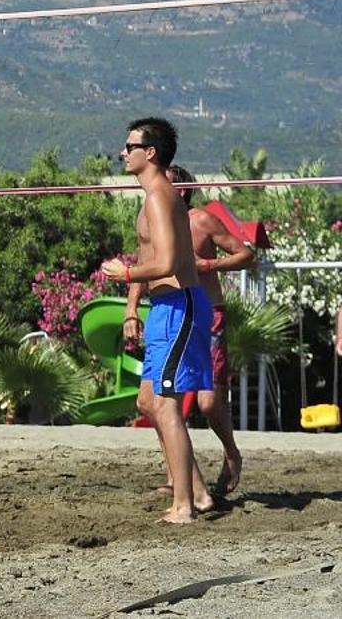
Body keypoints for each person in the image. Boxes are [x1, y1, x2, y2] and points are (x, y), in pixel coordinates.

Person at [99, 118, 214, 524]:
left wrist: (125, 276)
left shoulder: (159, 196)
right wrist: (133, 304)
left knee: (165, 405)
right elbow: (154, 256)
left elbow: (165, 263)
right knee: (148, 401)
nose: (122, 152)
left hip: (179, 306)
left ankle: (183, 506)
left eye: (129, 145)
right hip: (165, 307)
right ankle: (198, 493)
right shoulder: (155, 196)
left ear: (150, 153)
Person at [124, 165, 253, 496]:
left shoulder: (201, 220)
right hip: (170, 310)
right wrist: (131, 309)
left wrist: (209, 265)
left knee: (208, 404)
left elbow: (245, 254)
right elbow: (145, 264)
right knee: (156, 402)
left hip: (206, 313)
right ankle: (180, 479)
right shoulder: (153, 218)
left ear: (178, 189)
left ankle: (231, 453)